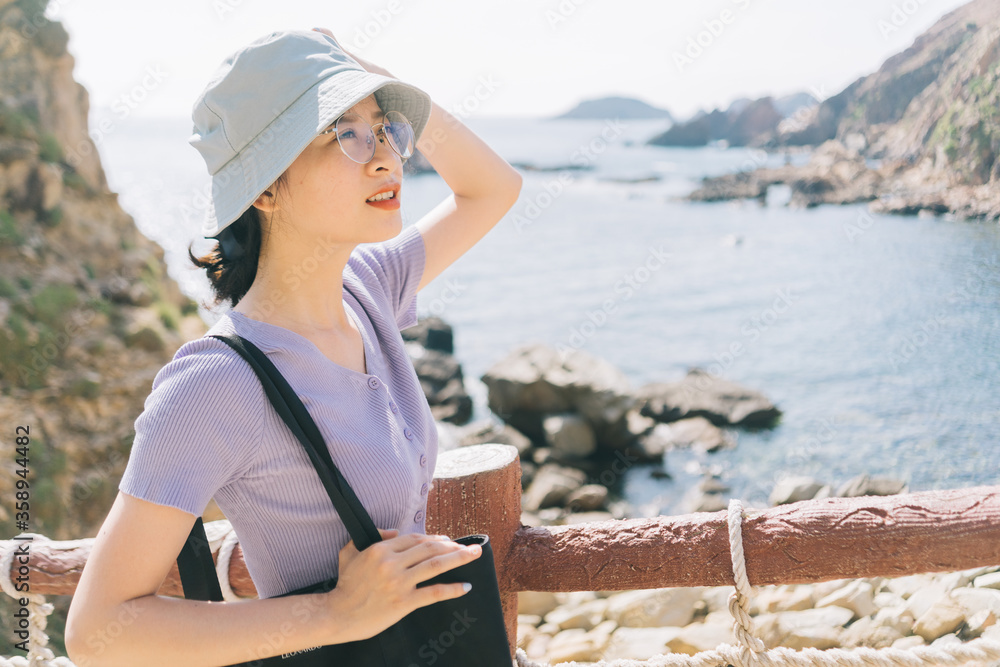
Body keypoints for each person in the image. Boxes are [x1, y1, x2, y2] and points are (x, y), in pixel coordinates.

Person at [65, 27, 522, 667]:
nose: (388, 157)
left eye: (386, 128)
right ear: (264, 186)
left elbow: (493, 188)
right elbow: (96, 632)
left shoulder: (368, 289)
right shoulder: (217, 383)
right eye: (345, 133)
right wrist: (334, 613)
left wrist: (360, 72)